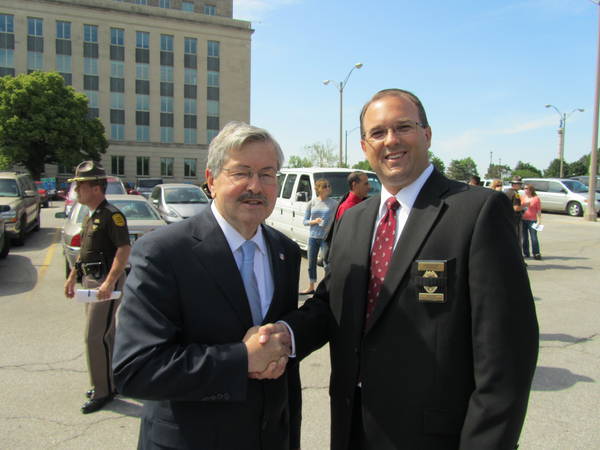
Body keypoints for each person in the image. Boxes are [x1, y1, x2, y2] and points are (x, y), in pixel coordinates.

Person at [260, 89, 539, 449]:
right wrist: (283, 335)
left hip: (434, 436)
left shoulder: (477, 213)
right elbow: (332, 304)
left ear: (427, 134)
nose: (391, 140)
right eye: (378, 132)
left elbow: (507, 354)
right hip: (352, 427)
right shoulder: (354, 220)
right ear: (364, 146)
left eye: (403, 127)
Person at [112, 121, 301, 450]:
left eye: (267, 174)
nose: (255, 186)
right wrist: (241, 358)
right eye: (241, 173)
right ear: (211, 180)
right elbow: (136, 368)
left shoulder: (285, 251)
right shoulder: (163, 252)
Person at [64, 161, 131, 414]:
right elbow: (85, 251)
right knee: (105, 335)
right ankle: (109, 383)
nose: (77, 191)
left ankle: (103, 391)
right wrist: (72, 276)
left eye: (80, 186)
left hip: (104, 283)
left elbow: (124, 250)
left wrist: (109, 282)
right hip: (91, 281)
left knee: (95, 336)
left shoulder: (112, 215)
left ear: (95, 188)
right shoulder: (91, 216)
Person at [299, 178, 337, 295]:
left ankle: (327, 288)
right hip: (313, 238)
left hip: (325, 238)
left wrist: (331, 228)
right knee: (311, 263)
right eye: (325, 186)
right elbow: (305, 221)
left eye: (329, 186)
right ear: (318, 189)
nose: (328, 188)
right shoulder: (312, 203)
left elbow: (337, 219)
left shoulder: (334, 204)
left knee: (327, 264)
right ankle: (311, 287)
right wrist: (314, 221)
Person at [521, 183, 542, 260]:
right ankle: (526, 252)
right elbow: (520, 207)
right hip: (523, 219)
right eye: (524, 189)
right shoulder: (523, 197)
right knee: (524, 237)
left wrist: (539, 220)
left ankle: (536, 253)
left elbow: (538, 210)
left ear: (531, 190)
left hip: (532, 220)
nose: (525, 190)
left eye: (527, 189)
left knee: (534, 237)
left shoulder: (536, 198)